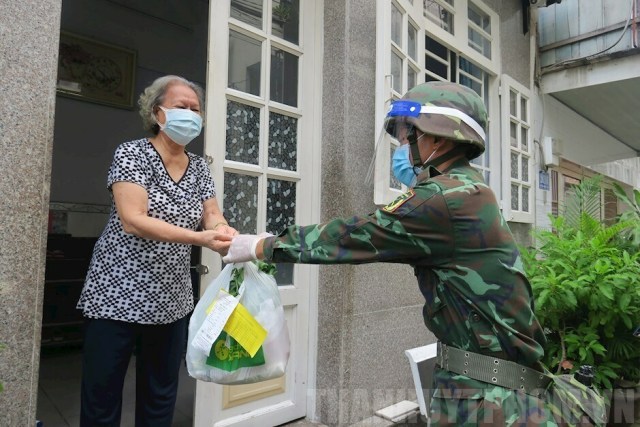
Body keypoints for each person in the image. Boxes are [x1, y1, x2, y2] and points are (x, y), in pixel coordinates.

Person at [222, 82, 605, 425]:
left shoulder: (443, 199)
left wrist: (261, 245)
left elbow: (357, 235)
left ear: (438, 138)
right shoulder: (470, 191)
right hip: (498, 383)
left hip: (486, 397)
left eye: (412, 136)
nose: (407, 147)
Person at [77, 75, 236, 427]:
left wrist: (224, 232)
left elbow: (211, 213)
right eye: (181, 107)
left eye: (196, 109)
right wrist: (200, 240)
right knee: (102, 395)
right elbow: (133, 219)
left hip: (171, 298)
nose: (191, 114)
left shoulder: (199, 167)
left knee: (161, 395)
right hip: (116, 293)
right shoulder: (132, 153)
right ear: (157, 112)